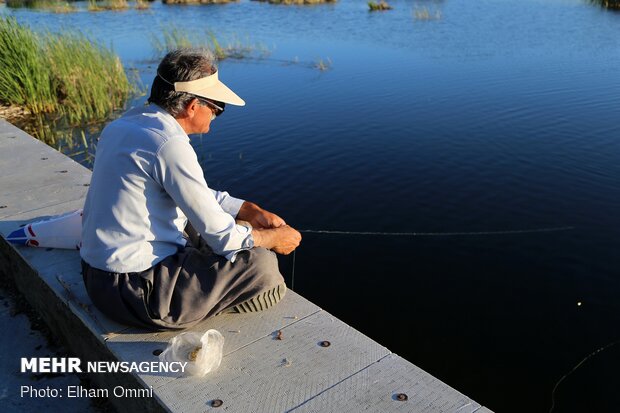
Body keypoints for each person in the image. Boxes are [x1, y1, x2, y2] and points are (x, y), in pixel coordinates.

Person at [80, 48, 301, 330]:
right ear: (193, 106)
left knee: (218, 226)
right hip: (134, 292)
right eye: (217, 107)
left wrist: (247, 209)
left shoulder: (126, 124)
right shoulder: (168, 143)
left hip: (96, 276)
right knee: (261, 265)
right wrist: (272, 238)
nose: (217, 114)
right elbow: (223, 238)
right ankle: (206, 303)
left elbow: (195, 196)